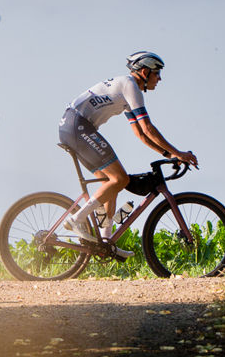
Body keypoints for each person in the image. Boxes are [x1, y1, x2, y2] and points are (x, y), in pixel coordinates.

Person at [59, 51, 199, 255]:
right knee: (120, 178)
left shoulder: (125, 90)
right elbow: (148, 127)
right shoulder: (131, 86)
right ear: (144, 72)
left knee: (111, 183)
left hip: (72, 127)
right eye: (157, 73)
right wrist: (178, 153)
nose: (159, 79)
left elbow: (140, 133)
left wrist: (168, 155)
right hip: (77, 126)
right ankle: (77, 219)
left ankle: (106, 242)